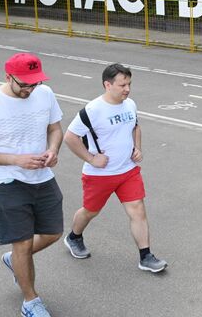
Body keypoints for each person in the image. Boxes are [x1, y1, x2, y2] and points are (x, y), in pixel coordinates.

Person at [0, 53, 63, 317]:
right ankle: (30, 301)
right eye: (24, 84)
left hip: (42, 177)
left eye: (35, 84)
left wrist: (53, 150)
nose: (30, 89)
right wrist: (16, 160)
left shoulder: (44, 94)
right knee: (22, 244)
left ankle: (15, 261)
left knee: (53, 233)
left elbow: (55, 129)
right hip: (6, 181)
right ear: (7, 77)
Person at [62, 63, 167, 272]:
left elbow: (135, 126)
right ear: (107, 85)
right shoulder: (92, 111)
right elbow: (70, 137)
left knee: (138, 210)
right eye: (122, 85)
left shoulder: (130, 105)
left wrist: (137, 147)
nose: (127, 89)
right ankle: (74, 237)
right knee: (90, 211)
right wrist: (91, 159)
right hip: (100, 175)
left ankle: (145, 256)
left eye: (129, 84)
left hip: (128, 171)